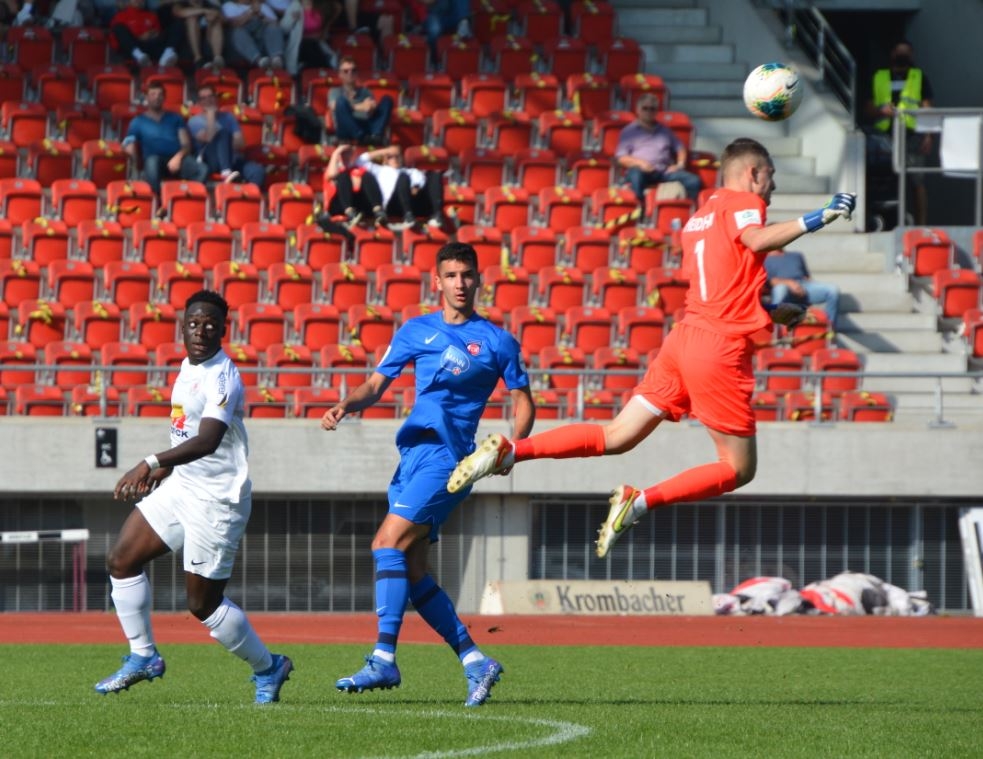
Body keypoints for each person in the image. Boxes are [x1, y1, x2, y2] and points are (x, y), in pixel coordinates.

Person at [447, 138, 856, 558]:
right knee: (738, 468)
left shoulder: (700, 217)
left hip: (684, 340)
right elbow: (756, 240)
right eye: (771, 176)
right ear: (753, 173)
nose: (773, 186)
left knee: (617, 435)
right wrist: (818, 217)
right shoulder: (744, 202)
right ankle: (639, 502)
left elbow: (722, 286)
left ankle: (512, 451)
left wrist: (767, 311)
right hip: (716, 349)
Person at [321, 241, 535, 706]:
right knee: (415, 573)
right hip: (412, 458)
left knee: (385, 543)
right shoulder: (415, 330)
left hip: (449, 460)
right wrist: (345, 405)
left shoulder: (498, 341)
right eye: (452, 275)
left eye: (467, 275)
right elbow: (376, 384)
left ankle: (383, 658)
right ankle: (476, 661)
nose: (460, 283)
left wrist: (513, 449)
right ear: (437, 282)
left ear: (478, 280)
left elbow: (523, 401)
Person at [94, 290, 293, 704]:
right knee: (121, 559)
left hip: (217, 501)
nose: (201, 331)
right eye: (194, 323)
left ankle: (269, 667)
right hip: (183, 486)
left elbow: (208, 439)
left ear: (223, 331)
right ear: (182, 327)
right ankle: (144, 656)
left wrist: (149, 462)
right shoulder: (188, 367)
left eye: (210, 325)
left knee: (203, 604)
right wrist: (167, 469)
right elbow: (186, 431)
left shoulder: (223, 376)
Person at [865, 40, 934, 226]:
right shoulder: (879, 76)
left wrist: (928, 135)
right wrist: (881, 111)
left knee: (917, 181)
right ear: (892, 54)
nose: (903, 55)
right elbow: (868, 108)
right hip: (884, 138)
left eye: (906, 52)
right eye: (899, 51)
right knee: (881, 179)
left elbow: (927, 108)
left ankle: (921, 225)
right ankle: (875, 219)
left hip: (912, 136)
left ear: (911, 55)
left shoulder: (919, 77)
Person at [123, 82, 209, 196]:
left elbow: (187, 145)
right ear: (147, 97)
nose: (157, 97)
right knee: (152, 163)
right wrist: (133, 164)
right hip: (153, 160)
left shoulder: (176, 118)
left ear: (164, 97)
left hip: (177, 159)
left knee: (202, 169)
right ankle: (159, 201)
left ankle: (185, 197)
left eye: (160, 94)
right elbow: (129, 145)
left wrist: (178, 158)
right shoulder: (138, 121)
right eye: (153, 94)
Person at [615, 93, 702, 205]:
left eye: (652, 109)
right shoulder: (628, 131)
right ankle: (640, 208)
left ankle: (687, 210)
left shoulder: (665, 131)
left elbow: (680, 148)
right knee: (636, 175)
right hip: (640, 171)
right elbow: (621, 158)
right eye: (645, 108)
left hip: (663, 172)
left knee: (693, 181)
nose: (648, 112)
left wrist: (679, 165)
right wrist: (641, 163)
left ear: (657, 111)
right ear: (638, 110)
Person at [188, 84, 266, 188]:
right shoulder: (194, 121)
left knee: (257, 171)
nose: (208, 100)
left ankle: (247, 195)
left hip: (232, 158)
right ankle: (226, 172)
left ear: (216, 98)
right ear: (199, 102)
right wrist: (211, 115)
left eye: (211, 96)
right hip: (209, 161)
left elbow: (240, 144)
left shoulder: (228, 117)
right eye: (204, 98)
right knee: (222, 133)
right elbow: (208, 138)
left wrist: (226, 143)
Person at [764, 249, 840, 332]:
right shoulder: (764, 259)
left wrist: (803, 288)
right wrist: (790, 283)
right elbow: (770, 281)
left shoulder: (796, 255)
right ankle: (776, 330)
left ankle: (830, 329)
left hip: (803, 286)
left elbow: (807, 277)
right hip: (783, 289)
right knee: (780, 288)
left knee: (832, 289)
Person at [328, 55, 394, 146]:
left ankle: (376, 136)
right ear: (340, 74)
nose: (350, 73)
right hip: (346, 128)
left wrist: (368, 107)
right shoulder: (335, 91)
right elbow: (334, 106)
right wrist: (359, 107)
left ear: (357, 73)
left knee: (387, 100)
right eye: (346, 71)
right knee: (341, 102)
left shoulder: (365, 91)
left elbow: (370, 107)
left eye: (353, 70)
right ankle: (362, 138)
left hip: (365, 124)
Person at [109, 0, 184, 67]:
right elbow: (116, 42)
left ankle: (167, 55)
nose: (138, 0)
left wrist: (151, 34)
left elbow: (158, 33)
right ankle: (140, 57)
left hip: (153, 45)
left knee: (178, 25)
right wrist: (139, 37)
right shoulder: (120, 16)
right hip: (135, 47)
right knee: (118, 27)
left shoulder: (151, 15)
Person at [221, 0, 286, 70]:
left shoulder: (262, 6)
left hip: (262, 38)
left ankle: (276, 59)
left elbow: (276, 24)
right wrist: (251, 12)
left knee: (273, 27)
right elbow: (235, 24)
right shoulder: (229, 6)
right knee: (237, 32)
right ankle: (259, 61)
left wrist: (261, 15)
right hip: (243, 42)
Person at [170, 0, 226, 70]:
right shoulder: (182, 4)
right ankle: (198, 60)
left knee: (216, 23)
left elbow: (224, 20)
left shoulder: (209, 5)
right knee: (192, 19)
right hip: (186, 45)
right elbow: (179, 12)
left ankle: (217, 59)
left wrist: (215, 17)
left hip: (208, 42)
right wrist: (204, 11)